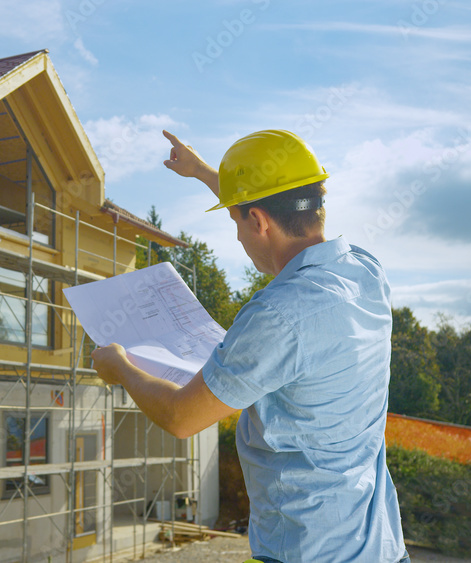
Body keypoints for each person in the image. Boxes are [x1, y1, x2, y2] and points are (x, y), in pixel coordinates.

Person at [90, 129, 408, 562]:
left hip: (304, 549)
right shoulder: (365, 272)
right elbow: (274, 204)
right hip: (377, 546)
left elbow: (181, 417)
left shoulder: (277, 314)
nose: (238, 236)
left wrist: (121, 367)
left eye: (236, 220)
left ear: (257, 220)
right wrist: (204, 172)